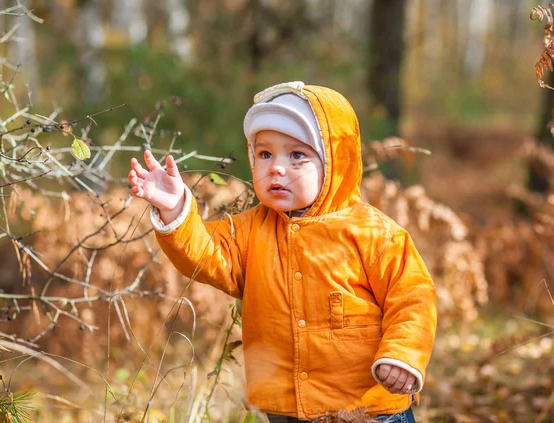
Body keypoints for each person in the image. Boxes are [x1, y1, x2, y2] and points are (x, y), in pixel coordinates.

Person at [128, 82, 437, 422]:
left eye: (297, 155)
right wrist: (176, 210)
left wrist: (403, 355)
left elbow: (413, 298)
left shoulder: (373, 233)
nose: (276, 167)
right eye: (265, 154)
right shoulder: (249, 230)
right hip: (285, 407)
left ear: (335, 162)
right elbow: (205, 255)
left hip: (367, 408)